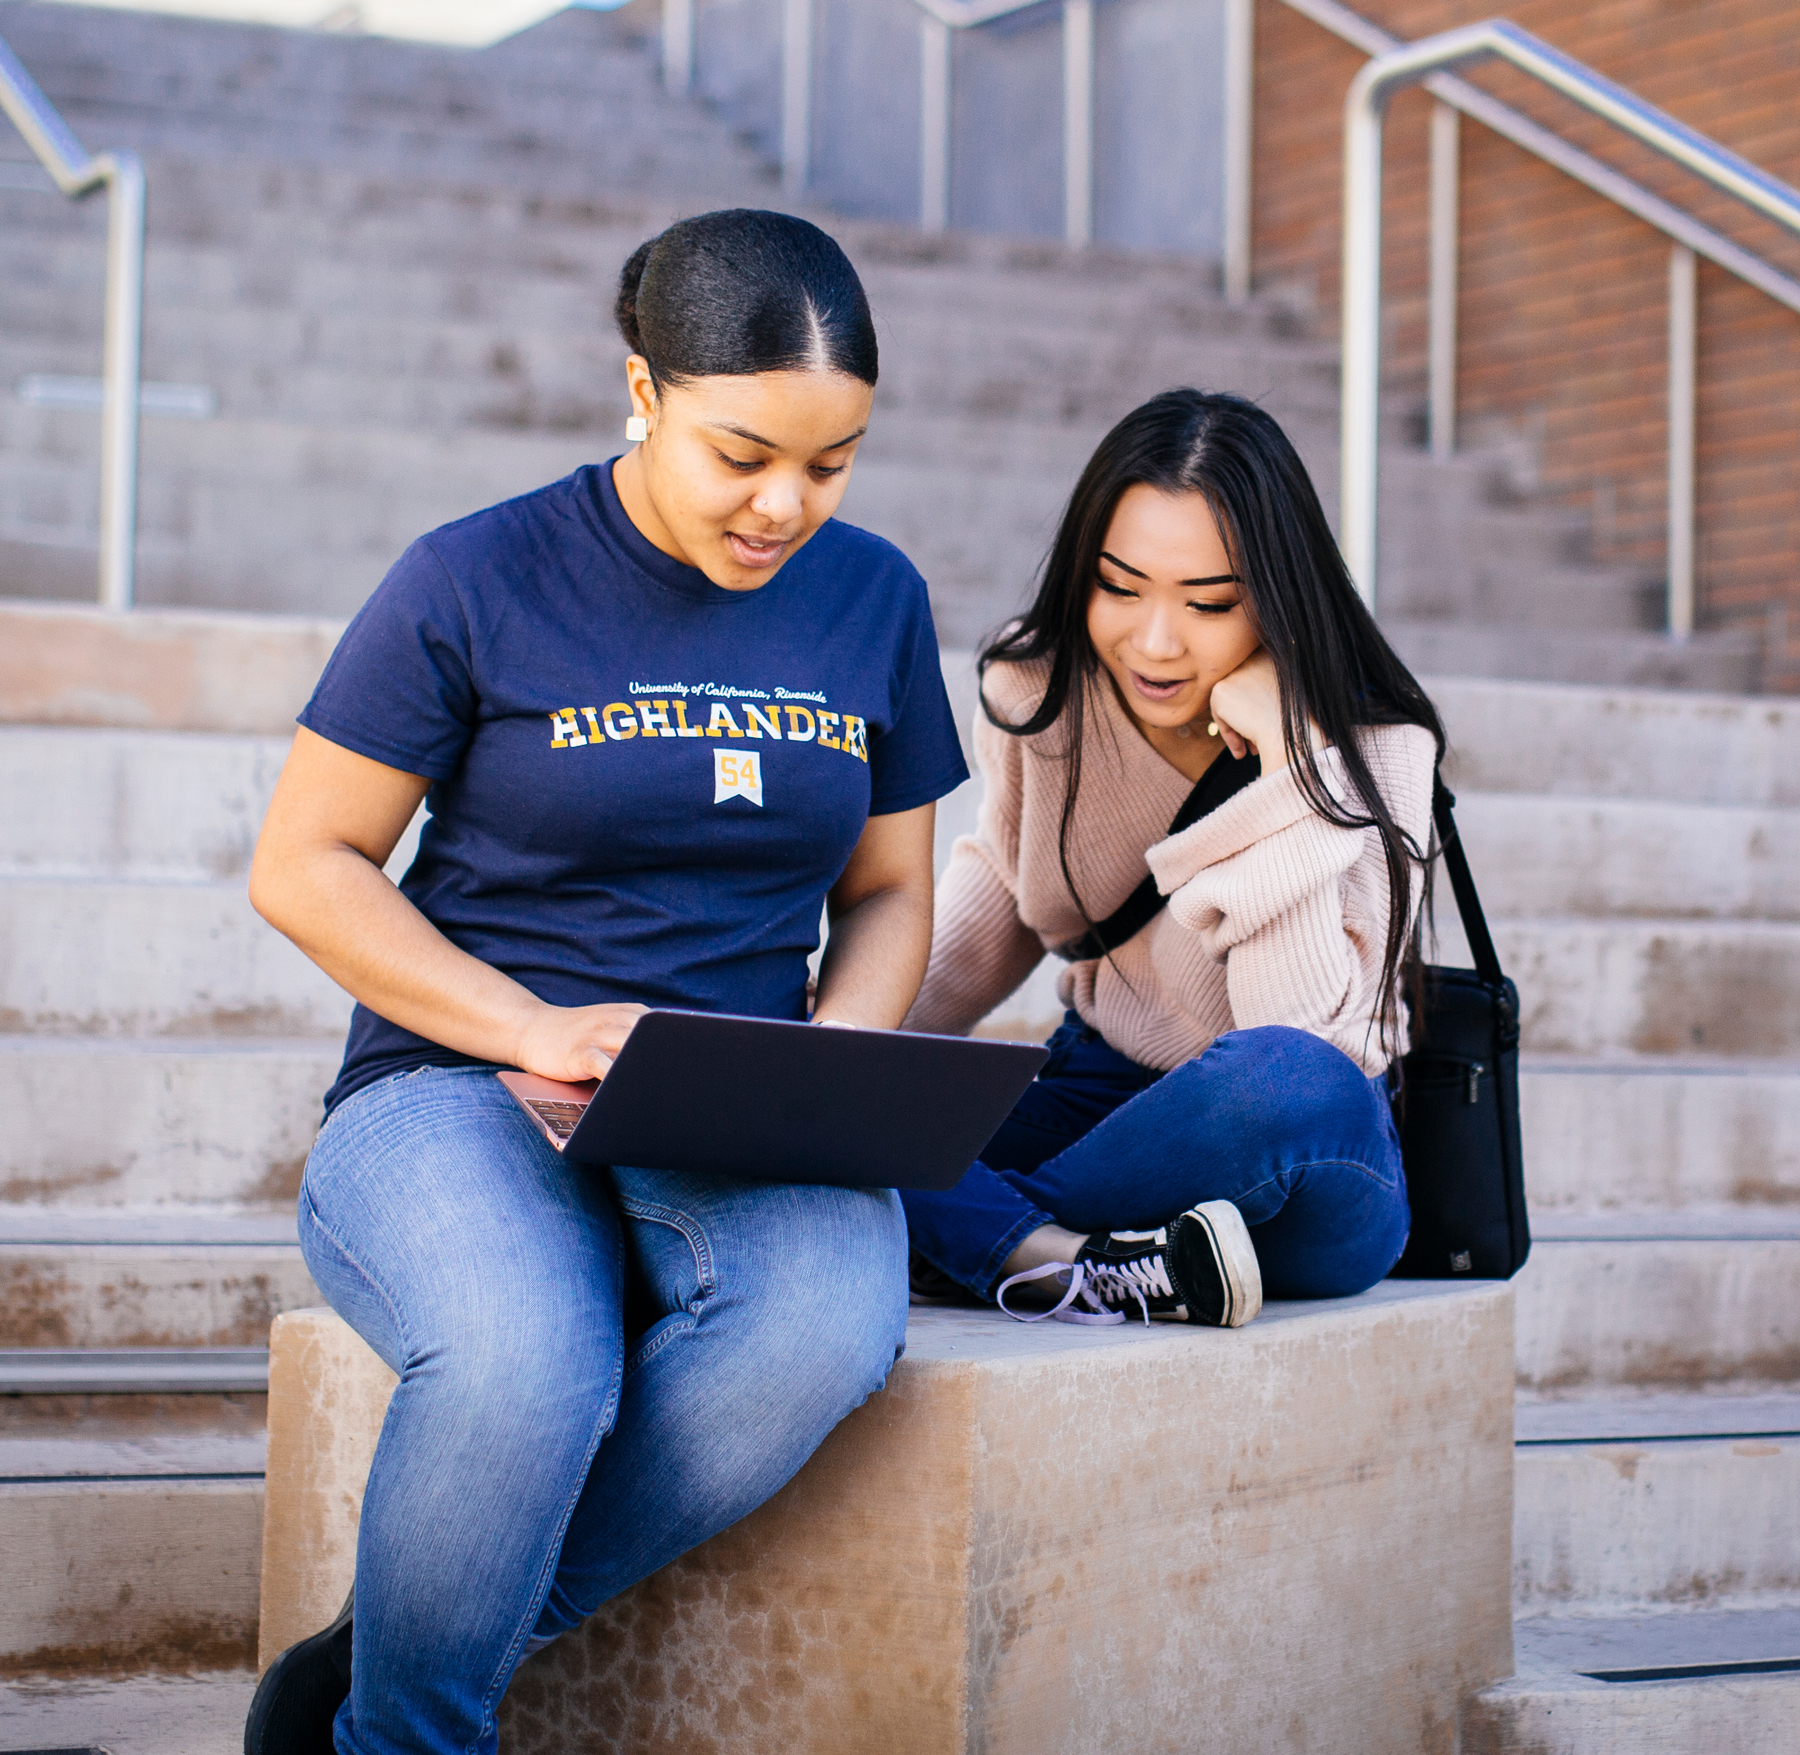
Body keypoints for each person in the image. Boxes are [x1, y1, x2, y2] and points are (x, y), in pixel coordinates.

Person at [243, 209, 968, 1755]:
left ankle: (399, 1665)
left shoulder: (875, 599)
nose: (785, 503)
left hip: (736, 1098)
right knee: (524, 1362)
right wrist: (532, 1027)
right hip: (455, 1082)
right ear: (643, 389)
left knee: (822, 1334)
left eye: (830, 465)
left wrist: (834, 1068)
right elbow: (305, 863)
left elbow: (895, 886)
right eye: (742, 453)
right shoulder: (474, 574)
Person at [902, 388, 1444, 1329]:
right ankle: (1082, 1260)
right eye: (1119, 587)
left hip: (1305, 1149)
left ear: (1276, 599)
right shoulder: (1045, 690)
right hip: (1103, 1093)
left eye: (1210, 604)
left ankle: (983, 1236)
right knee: (845, 1122)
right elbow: (1003, 884)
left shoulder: (1375, 746)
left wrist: (1291, 766)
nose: (1153, 642)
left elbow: (1297, 1032)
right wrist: (833, 1045)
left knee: (1284, 1078)